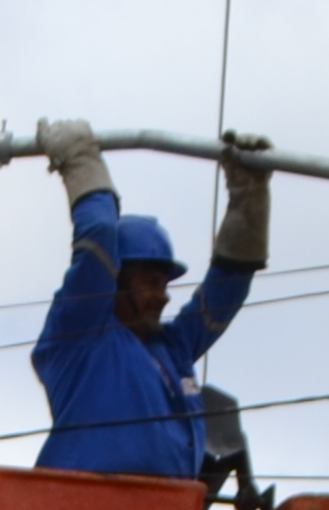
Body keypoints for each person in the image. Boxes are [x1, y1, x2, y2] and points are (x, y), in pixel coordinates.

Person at [29, 117, 262, 479]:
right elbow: (99, 237)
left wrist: (250, 198)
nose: (163, 297)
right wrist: (81, 160)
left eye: (165, 284)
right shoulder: (80, 335)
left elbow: (226, 289)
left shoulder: (173, 350)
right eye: (150, 283)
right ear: (115, 280)